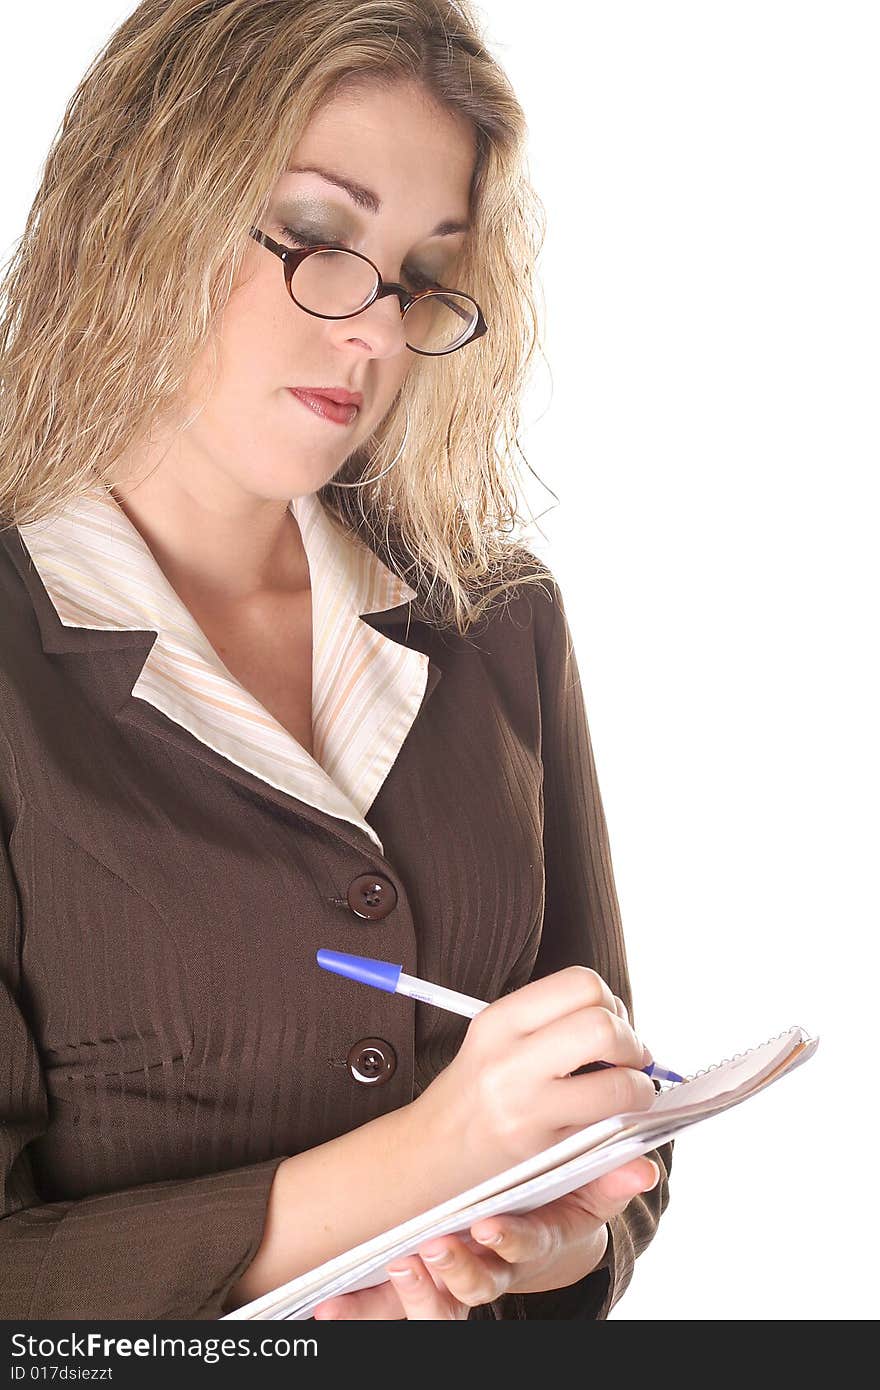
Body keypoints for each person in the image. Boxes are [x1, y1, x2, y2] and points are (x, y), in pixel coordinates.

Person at [0, 0, 672, 1321]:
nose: (375, 334)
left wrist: (553, 1240)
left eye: (424, 275)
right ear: (146, 202)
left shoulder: (499, 617)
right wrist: (425, 1163)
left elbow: (622, 1139)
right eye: (317, 240)